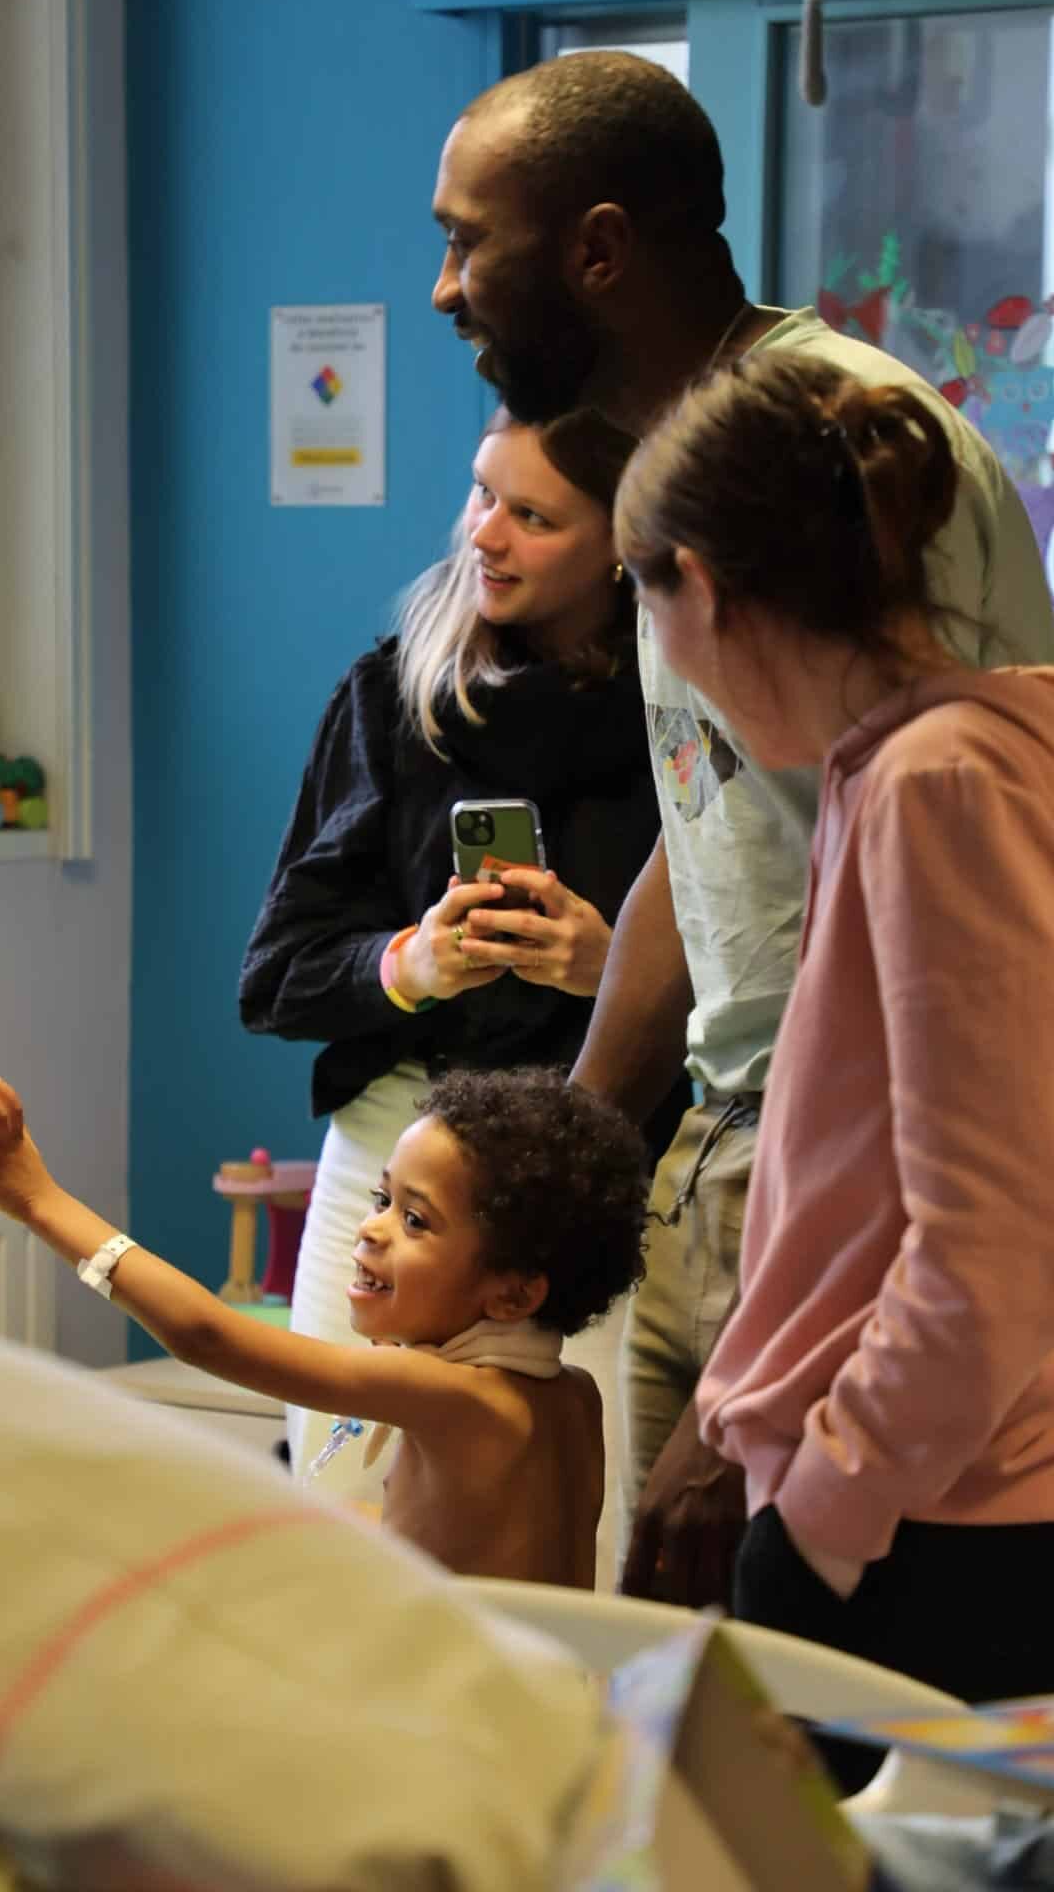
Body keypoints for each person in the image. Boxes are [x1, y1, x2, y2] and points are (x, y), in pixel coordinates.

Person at [429, 47, 1054, 1602]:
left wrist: (800, 1368)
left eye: (465, 241)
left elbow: (956, 967)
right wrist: (570, 1153)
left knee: (773, 1669)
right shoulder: (686, 470)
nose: (444, 289)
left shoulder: (834, 451)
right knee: (671, 1656)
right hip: (722, 1157)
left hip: (855, 1201)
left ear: (596, 249)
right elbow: (704, 822)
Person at [614, 348, 1054, 1707]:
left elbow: (996, 1237)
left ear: (699, 587)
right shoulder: (973, 747)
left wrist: (825, 1510)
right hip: (948, 1501)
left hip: (944, 1527)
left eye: (646, 601)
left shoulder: (942, 783)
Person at [238, 404, 688, 1548]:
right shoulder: (397, 693)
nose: (484, 532)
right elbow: (277, 974)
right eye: (482, 492)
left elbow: (770, 987)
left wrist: (610, 969)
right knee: (337, 1519)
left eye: (532, 514)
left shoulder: (686, 715)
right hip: (395, 1153)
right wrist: (413, 962)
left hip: (582, 1164)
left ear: (621, 540)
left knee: (575, 1531)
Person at [0, 1064, 649, 1589]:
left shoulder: (458, 1396)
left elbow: (204, 1335)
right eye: (381, 1198)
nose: (371, 1228)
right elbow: (468, 1553)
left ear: (513, 1294)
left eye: (415, 1220)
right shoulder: (572, 1396)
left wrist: (40, 1202)